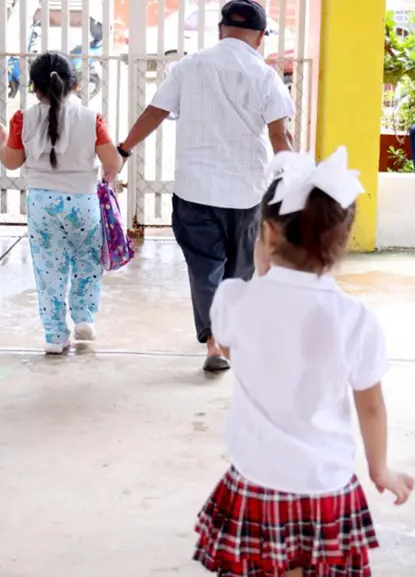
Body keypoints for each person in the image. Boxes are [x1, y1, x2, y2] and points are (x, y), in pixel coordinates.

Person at [192, 147, 414, 577]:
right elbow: (371, 406)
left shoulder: (234, 301)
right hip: (327, 483)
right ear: (341, 243)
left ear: (268, 234)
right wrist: (380, 468)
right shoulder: (355, 319)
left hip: (258, 478)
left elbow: (236, 352)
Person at [117, 0, 295, 372]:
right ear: (260, 38)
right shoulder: (264, 75)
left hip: (195, 189)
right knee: (239, 269)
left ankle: (215, 343)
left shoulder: (189, 66)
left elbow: (155, 112)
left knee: (205, 267)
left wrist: (123, 149)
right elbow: (280, 135)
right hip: (246, 191)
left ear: (220, 29)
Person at [0, 52, 123, 354]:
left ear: (34, 89)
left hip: (42, 206)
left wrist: (2, 137)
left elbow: (11, 162)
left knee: (48, 268)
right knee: (87, 261)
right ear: (76, 84)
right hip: (83, 203)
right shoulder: (91, 119)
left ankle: (54, 335)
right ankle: (84, 318)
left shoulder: (23, 119)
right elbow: (113, 163)